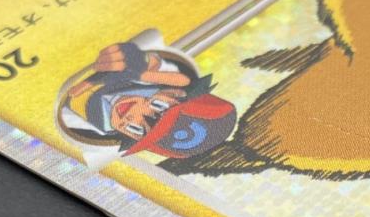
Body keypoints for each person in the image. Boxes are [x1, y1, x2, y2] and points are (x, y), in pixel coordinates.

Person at [56, 40, 236, 161]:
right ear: (175, 92)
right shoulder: (150, 74)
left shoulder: (89, 127)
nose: (133, 115)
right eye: (158, 106)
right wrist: (138, 62)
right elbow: (150, 55)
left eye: (137, 129)